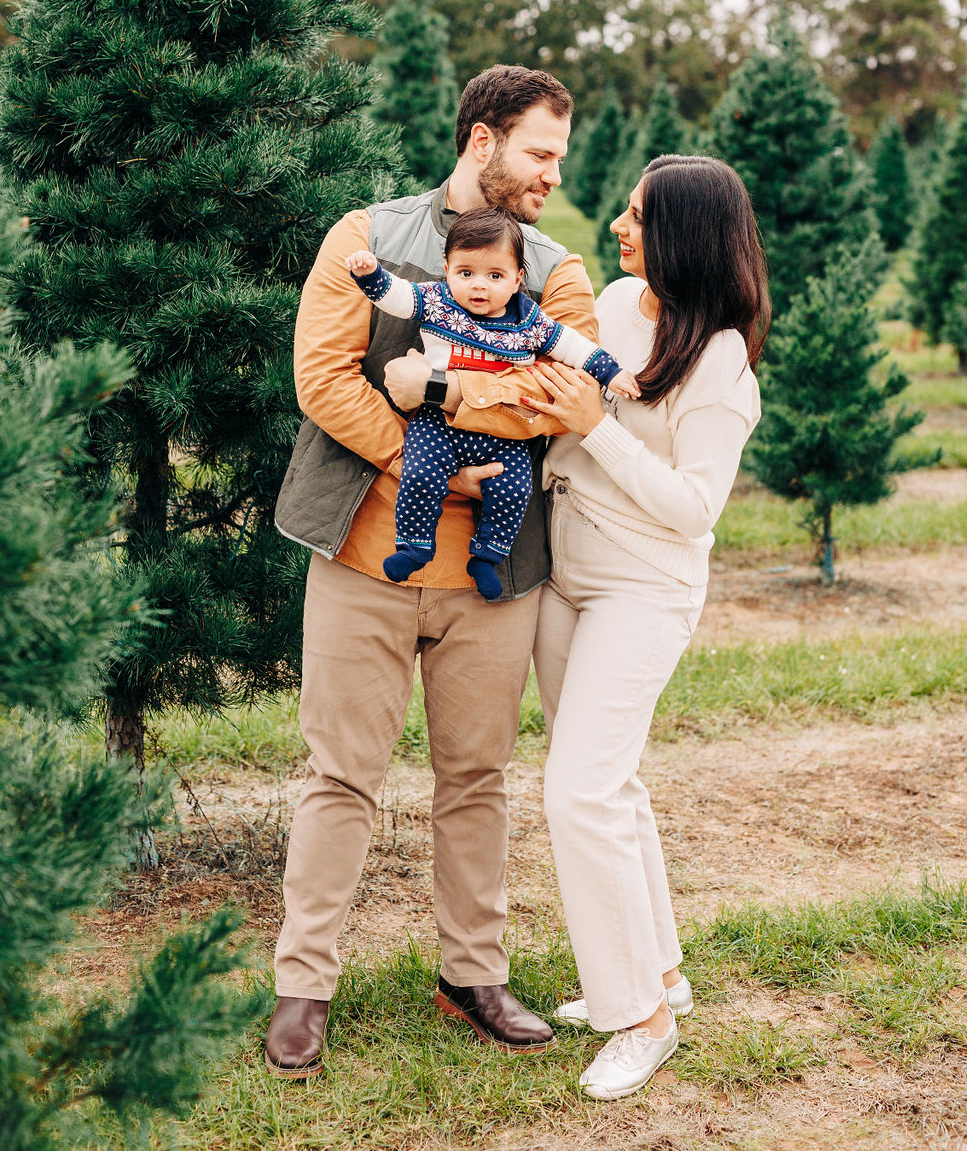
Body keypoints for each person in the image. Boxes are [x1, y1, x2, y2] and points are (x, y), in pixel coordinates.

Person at [265, 65, 596, 1078]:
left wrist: (435, 395)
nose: (550, 176)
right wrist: (423, 467)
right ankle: (303, 987)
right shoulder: (365, 241)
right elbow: (321, 378)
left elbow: (571, 404)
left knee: (476, 779)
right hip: (363, 560)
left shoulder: (557, 270)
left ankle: (473, 975)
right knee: (339, 777)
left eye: (558, 159)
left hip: (491, 583)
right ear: (482, 139)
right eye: (539, 152)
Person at [526, 155, 770, 1101]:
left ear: (683, 234)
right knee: (611, 786)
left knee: (577, 793)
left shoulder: (720, 365)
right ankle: (659, 972)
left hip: (643, 589)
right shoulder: (624, 302)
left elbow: (693, 507)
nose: (619, 227)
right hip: (565, 577)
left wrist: (595, 426)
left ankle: (640, 1018)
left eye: (635, 215)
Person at [346, 206, 638, 600]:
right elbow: (396, 297)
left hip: (501, 430)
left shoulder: (529, 320)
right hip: (439, 421)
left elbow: (572, 347)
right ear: (447, 269)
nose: (479, 286)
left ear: (518, 279)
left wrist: (611, 372)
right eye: (466, 273)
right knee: (419, 472)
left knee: (514, 489)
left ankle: (486, 556)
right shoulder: (435, 301)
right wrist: (370, 275)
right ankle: (414, 546)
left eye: (495, 276)